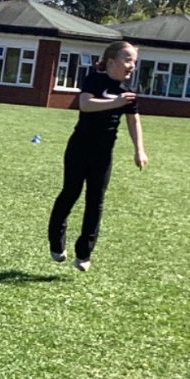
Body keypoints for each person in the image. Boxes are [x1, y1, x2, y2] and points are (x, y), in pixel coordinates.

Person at [48, 40, 147, 271]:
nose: (132, 65)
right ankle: (56, 243)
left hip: (103, 153)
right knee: (71, 192)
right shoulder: (94, 79)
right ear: (111, 62)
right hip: (79, 147)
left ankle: (84, 254)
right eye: (128, 60)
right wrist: (116, 101)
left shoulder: (128, 92)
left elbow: (134, 121)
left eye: (134, 61)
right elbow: (85, 104)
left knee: (96, 201)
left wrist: (139, 150)